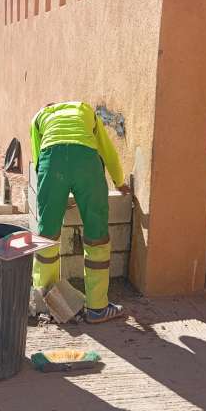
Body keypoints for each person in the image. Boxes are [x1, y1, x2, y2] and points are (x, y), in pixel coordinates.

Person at [30, 101, 131, 323]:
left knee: (47, 236)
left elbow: (38, 159)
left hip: (52, 165)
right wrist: (119, 181)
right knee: (97, 237)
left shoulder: (38, 117)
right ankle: (97, 308)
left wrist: (56, 194)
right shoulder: (85, 110)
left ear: (49, 108)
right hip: (87, 164)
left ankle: (44, 303)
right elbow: (107, 151)